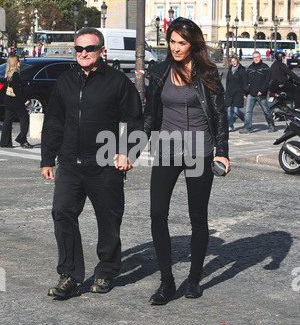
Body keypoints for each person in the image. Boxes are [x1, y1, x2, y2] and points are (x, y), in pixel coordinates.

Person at [41, 27, 143, 299]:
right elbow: (53, 121)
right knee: (62, 213)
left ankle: (106, 271)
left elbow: (136, 120)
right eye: (79, 49)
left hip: (105, 164)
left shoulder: (118, 81)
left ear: (102, 51)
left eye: (90, 49)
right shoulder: (65, 81)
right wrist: (47, 158)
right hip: (70, 164)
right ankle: (70, 276)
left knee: (108, 221)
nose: (83, 53)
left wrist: (127, 152)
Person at [144, 17, 230, 305]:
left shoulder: (207, 73)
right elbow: (150, 115)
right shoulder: (158, 72)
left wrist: (222, 152)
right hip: (168, 149)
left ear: (193, 44)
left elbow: (219, 116)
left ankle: (193, 278)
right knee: (157, 214)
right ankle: (167, 282)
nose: (176, 47)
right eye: (172, 41)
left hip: (199, 150)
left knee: (198, 218)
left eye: (182, 42)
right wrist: (132, 149)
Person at [0, 55, 33, 148]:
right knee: (24, 119)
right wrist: (24, 100)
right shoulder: (15, 74)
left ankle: (5, 141)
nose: (20, 63)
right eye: (18, 61)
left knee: (7, 121)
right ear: (15, 63)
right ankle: (22, 139)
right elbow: (16, 90)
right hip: (16, 101)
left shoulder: (8, 73)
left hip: (8, 100)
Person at [239, 51, 275, 134]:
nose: (256, 59)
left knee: (266, 111)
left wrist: (262, 90)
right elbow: (246, 81)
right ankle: (247, 128)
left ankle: (271, 125)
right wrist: (245, 93)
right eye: (254, 57)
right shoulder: (250, 68)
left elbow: (267, 81)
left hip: (261, 94)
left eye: (257, 57)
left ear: (260, 57)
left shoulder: (265, 68)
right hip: (251, 94)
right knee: (248, 111)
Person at [225, 55, 247, 131]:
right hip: (230, 92)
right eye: (232, 61)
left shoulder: (242, 69)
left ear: (237, 61)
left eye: (235, 61)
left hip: (238, 92)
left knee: (235, 110)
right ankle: (230, 126)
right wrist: (226, 91)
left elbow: (245, 82)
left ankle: (246, 121)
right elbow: (227, 81)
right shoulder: (230, 69)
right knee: (229, 109)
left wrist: (245, 93)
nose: (234, 63)